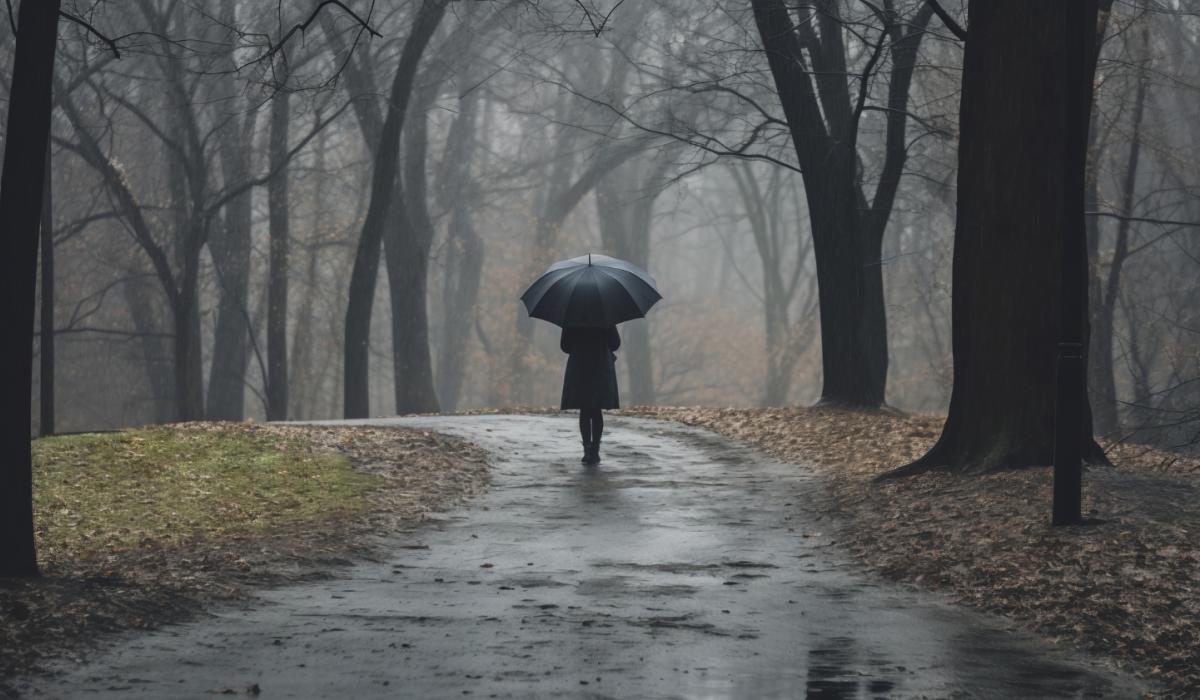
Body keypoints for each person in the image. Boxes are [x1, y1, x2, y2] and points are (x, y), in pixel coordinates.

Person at [560, 325, 621, 464]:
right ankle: (595, 450)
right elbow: (615, 343)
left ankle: (587, 449)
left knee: (585, 409)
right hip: (601, 364)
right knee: (596, 409)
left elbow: (565, 346)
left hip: (580, 364)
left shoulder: (572, 315)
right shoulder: (606, 315)